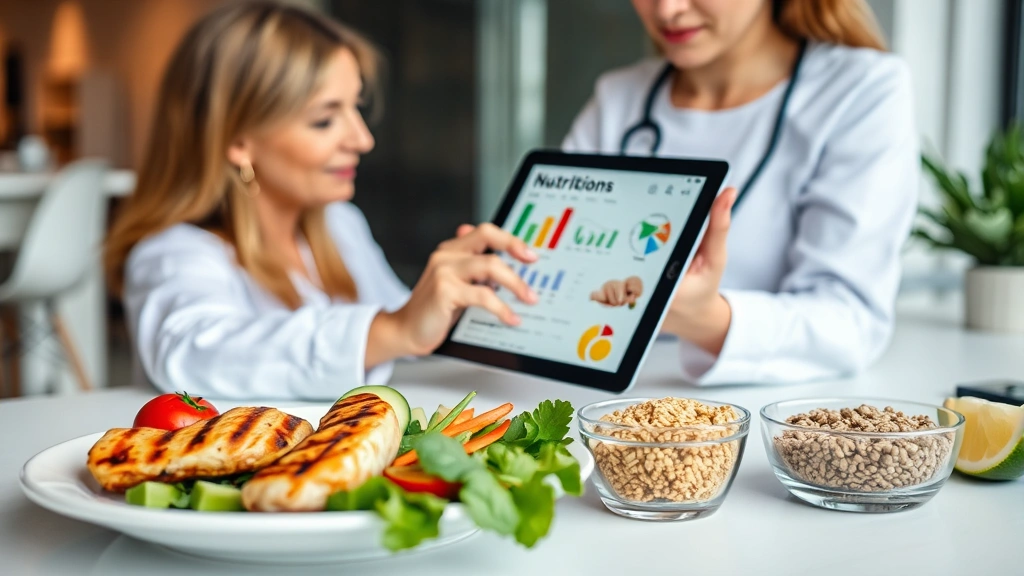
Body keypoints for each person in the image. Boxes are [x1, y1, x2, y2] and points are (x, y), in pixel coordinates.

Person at [104, 1, 538, 399]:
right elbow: (197, 353)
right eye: (325, 119)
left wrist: (465, 304)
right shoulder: (173, 253)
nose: (362, 139)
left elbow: (405, 339)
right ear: (239, 140)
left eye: (357, 109)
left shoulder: (339, 224)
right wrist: (394, 329)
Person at [562, 0, 918, 384]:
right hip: (596, 398)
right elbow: (552, 273)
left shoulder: (862, 89)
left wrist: (708, 319)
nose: (667, 9)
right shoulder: (618, 98)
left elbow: (851, 322)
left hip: (762, 414)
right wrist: (496, 278)